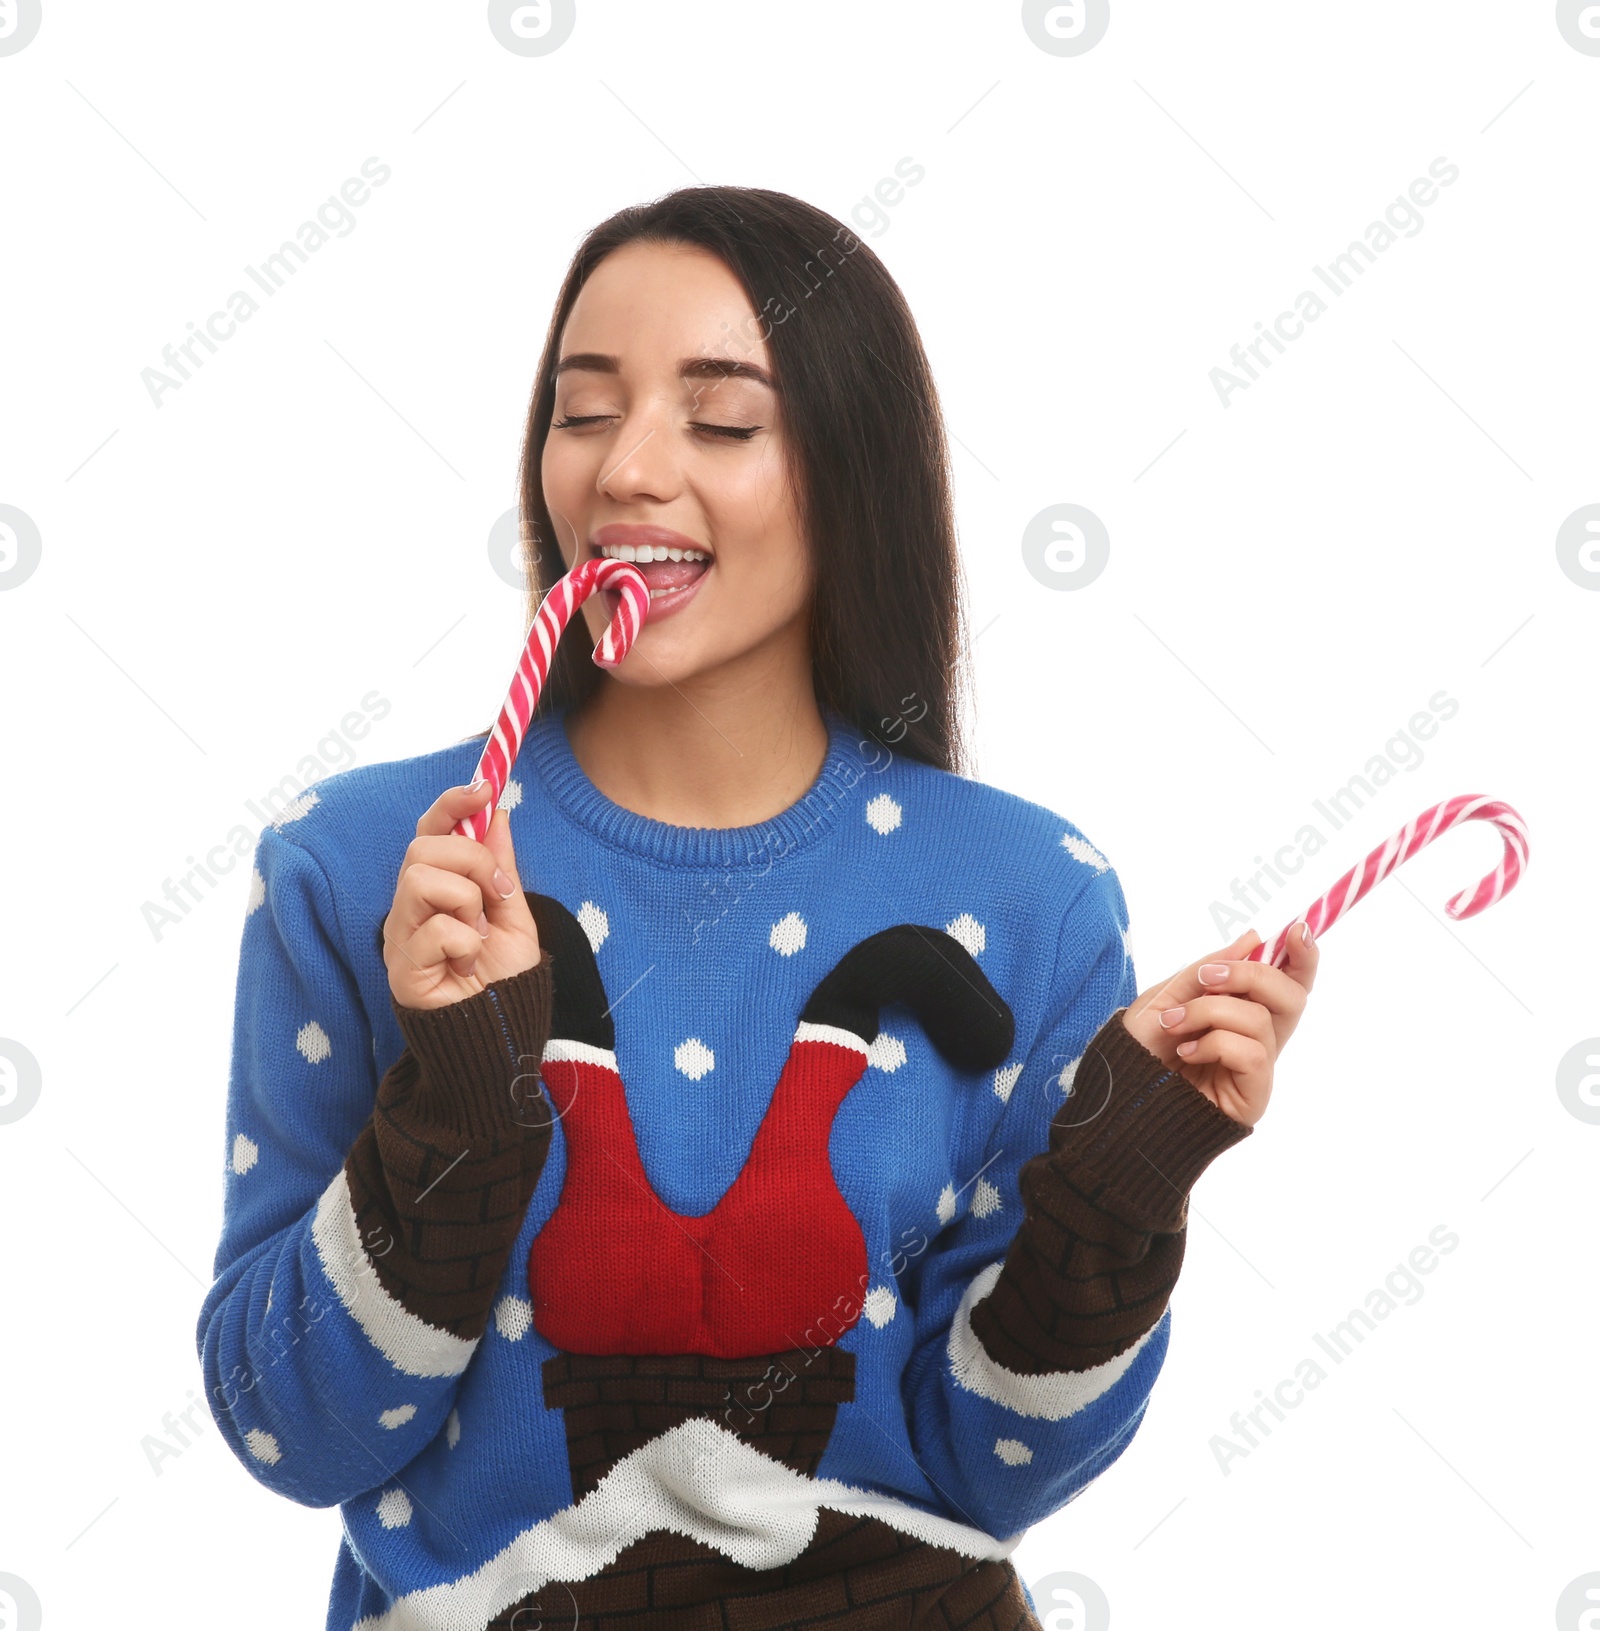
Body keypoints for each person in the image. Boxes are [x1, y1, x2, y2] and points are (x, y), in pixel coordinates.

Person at [197, 185, 1317, 1631]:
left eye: (721, 421)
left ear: (852, 471)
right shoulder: (360, 867)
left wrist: (1122, 1184)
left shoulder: (1030, 898)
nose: (629, 471)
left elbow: (993, 1471)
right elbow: (294, 1432)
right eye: (583, 410)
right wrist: (456, 1108)